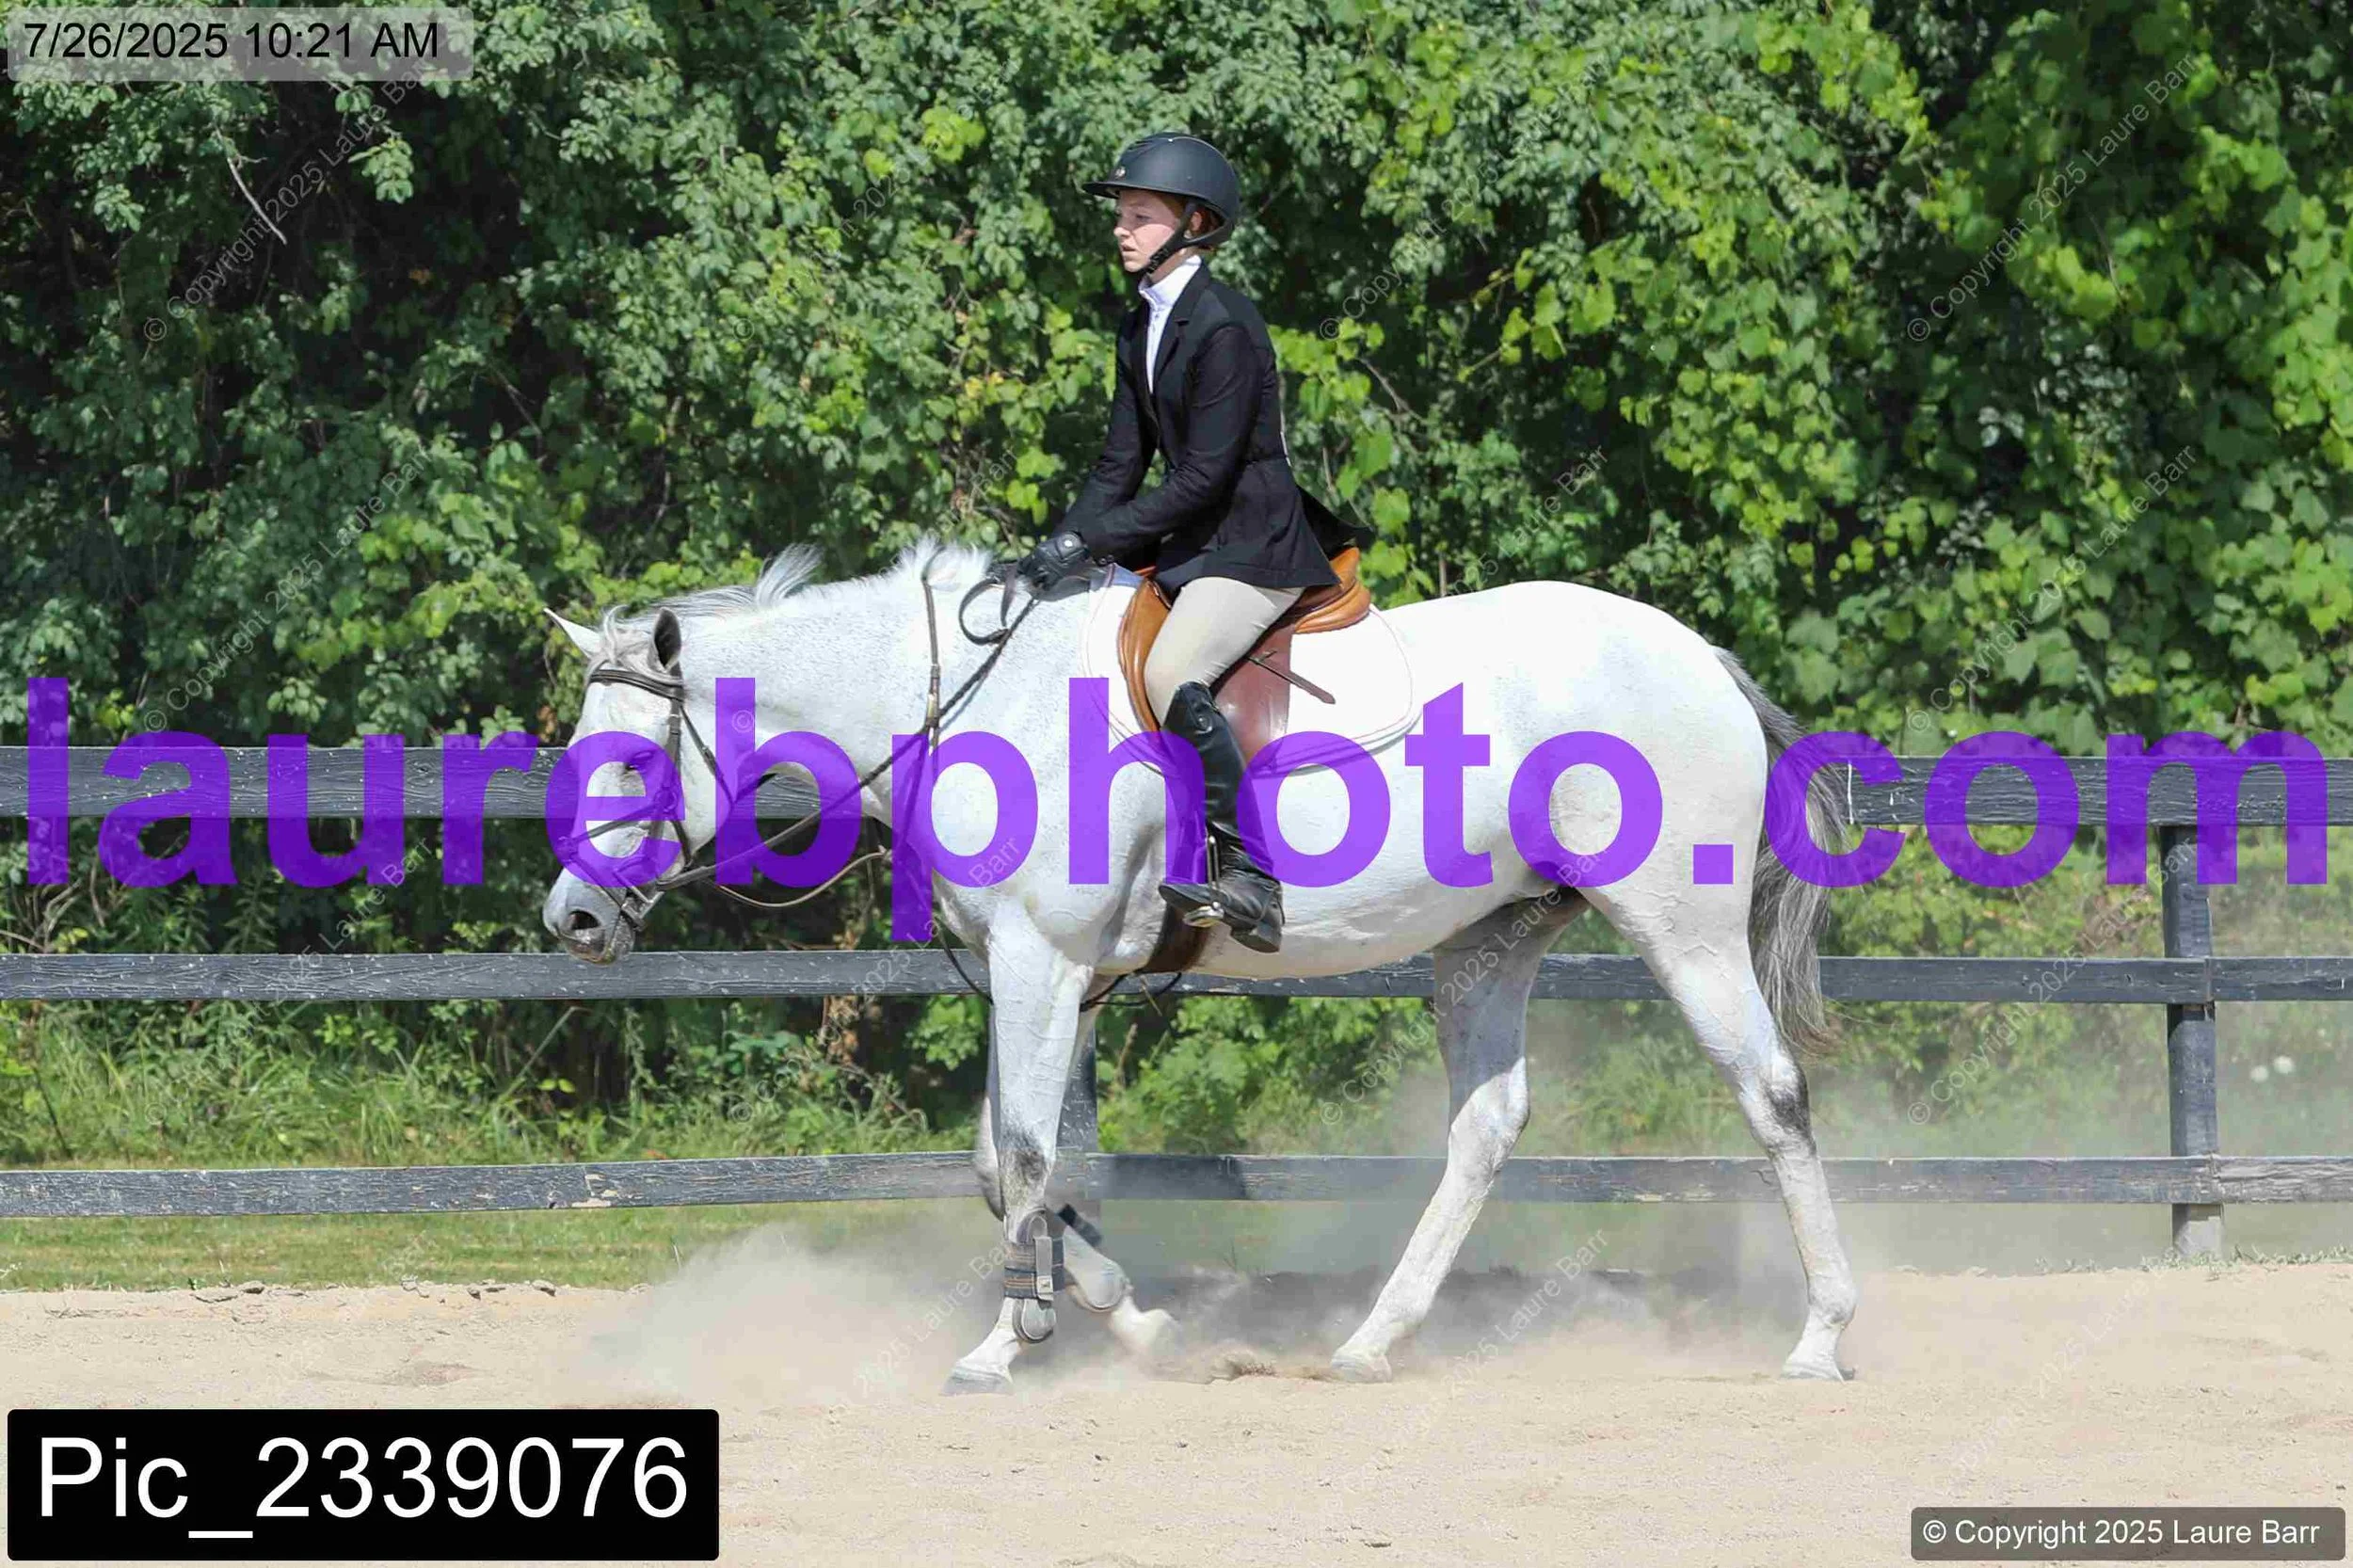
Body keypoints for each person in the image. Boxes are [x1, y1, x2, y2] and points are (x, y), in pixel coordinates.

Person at [1016, 133, 1357, 954]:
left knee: (1171, 670)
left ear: (1194, 224)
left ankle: (1252, 876)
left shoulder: (1225, 326)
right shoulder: (1140, 322)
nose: (1121, 229)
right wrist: (1054, 551)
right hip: (1193, 542)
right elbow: (1119, 464)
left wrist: (1093, 539)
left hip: (1253, 543)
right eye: (1122, 215)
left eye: (1140, 216)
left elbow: (1204, 478)